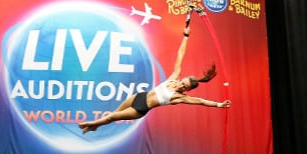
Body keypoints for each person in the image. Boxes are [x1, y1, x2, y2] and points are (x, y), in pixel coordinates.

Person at [78, 26, 231, 134]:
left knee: (112, 117)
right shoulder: (173, 78)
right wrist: (185, 36)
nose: (180, 85)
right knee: (112, 115)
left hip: (140, 108)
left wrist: (219, 104)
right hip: (139, 96)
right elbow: (180, 55)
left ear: (187, 90)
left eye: (184, 86)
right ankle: (96, 127)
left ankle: (91, 124)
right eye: (182, 82)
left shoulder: (180, 97)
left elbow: (201, 101)